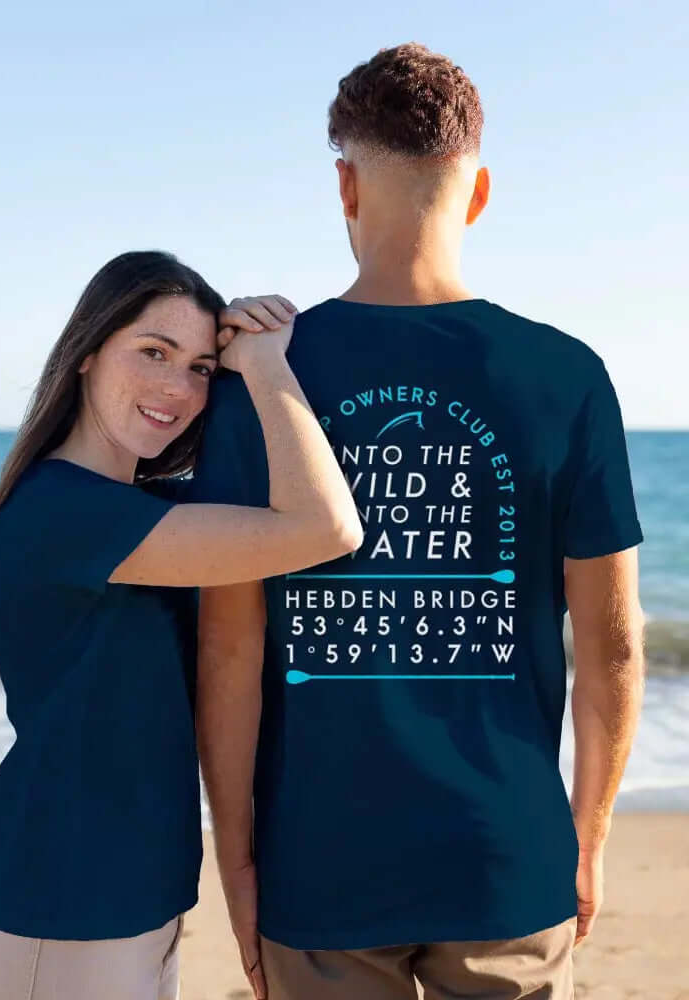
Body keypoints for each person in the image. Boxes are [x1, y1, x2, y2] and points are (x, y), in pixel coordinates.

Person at [187, 43, 646, 1000]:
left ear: (345, 187)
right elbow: (610, 646)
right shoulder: (566, 376)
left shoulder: (257, 379)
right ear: (477, 193)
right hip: (507, 859)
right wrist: (586, 835)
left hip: (320, 865)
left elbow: (229, 652)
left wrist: (237, 862)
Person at [0, 250, 363, 1000]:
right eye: (154, 353)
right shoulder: (63, 511)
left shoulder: (144, 512)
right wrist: (268, 367)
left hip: (131, 896)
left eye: (202, 369)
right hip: (65, 902)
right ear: (84, 354)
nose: (177, 388)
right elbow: (327, 527)